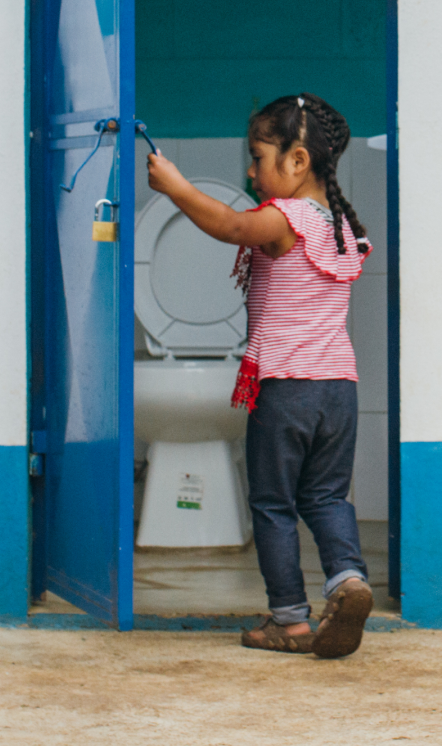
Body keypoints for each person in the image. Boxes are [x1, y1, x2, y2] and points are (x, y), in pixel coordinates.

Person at [147, 93, 375, 658]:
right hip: (338, 389)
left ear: (298, 161)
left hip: (287, 387)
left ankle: (290, 620)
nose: (250, 171)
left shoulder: (288, 217)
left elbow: (229, 226)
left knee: (272, 504)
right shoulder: (339, 222)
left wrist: (176, 187)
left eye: (257, 157)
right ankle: (349, 580)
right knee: (327, 498)